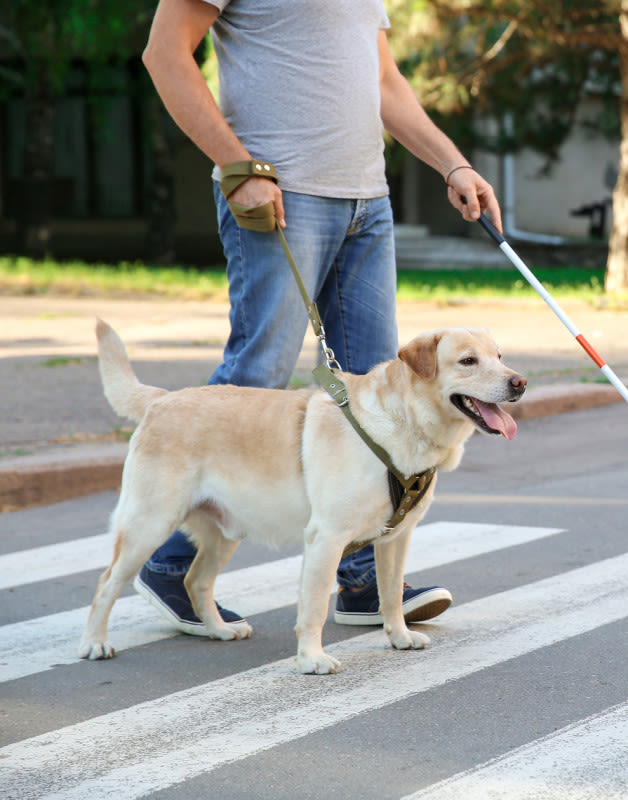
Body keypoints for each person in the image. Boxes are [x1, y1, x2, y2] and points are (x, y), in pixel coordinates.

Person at [136, 0, 502, 636]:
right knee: (259, 375)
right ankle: (174, 561)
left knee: (375, 400)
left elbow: (383, 81)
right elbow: (165, 53)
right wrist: (236, 165)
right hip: (279, 195)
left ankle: (359, 577)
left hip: (368, 202)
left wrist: (453, 162)